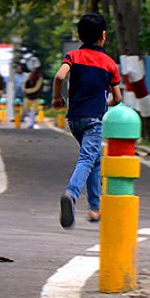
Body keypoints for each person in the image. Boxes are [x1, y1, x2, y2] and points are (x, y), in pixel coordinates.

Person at [52, 13, 122, 229]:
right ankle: (71, 195)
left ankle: (94, 208)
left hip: (74, 119)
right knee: (87, 158)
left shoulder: (72, 55)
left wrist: (57, 97)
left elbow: (60, 77)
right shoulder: (109, 63)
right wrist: (105, 104)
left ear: (79, 35)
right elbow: (118, 98)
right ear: (103, 36)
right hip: (94, 120)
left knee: (94, 158)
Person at [23, 60, 44, 128]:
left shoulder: (39, 76)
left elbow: (38, 86)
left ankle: (30, 124)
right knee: (27, 109)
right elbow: (24, 83)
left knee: (33, 111)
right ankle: (30, 122)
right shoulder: (29, 75)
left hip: (35, 96)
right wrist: (25, 89)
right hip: (28, 96)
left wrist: (29, 91)